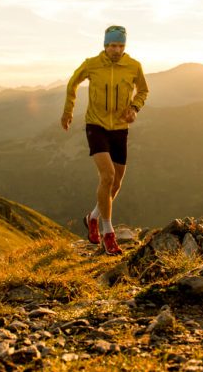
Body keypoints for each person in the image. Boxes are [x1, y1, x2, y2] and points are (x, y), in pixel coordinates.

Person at [61, 25, 149, 256]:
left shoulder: (133, 66)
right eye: (112, 45)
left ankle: (93, 217)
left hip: (120, 128)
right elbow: (73, 83)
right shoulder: (91, 64)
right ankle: (108, 233)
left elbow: (143, 90)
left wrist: (134, 108)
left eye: (120, 45)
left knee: (117, 182)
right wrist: (68, 111)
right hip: (96, 125)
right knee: (107, 176)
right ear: (105, 45)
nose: (116, 50)